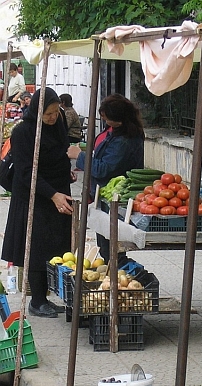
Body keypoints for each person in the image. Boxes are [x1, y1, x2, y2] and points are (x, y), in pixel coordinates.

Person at [2, 87, 73, 318]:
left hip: (59, 191)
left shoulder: (59, 123)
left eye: (55, 112)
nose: (53, 117)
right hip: (34, 194)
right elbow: (25, 171)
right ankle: (37, 300)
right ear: (36, 111)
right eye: (48, 113)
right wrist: (52, 194)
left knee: (57, 245)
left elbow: (59, 154)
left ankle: (48, 296)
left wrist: (67, 173)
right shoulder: (23, 132)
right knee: (35, 246)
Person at [67, 93, 145, 264]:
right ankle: (118, 276)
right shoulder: (118, 132)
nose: (105, 121)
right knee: (107, 246)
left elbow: (103, 169)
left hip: (114, 198)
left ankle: (129, 276)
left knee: (113, 247)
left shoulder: (124, 140)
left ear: (118, 119)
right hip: (104, 195)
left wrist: (80, 156)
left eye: (106, 118)